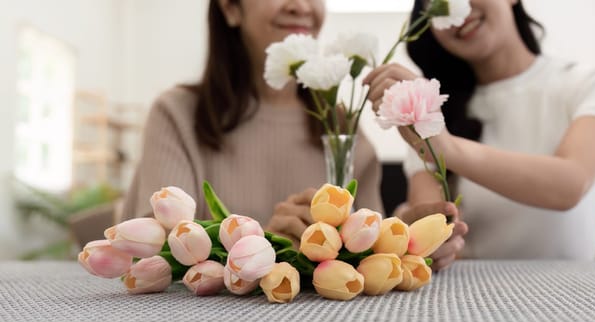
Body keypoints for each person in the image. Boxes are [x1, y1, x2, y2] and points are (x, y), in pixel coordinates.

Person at [121, 0, 466, 270]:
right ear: (229, 7)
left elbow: (365, 257)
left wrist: (405, 235)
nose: (301, 5)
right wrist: (266, 247)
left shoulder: (342, 123)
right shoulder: (177, 115)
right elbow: (157, 254)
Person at [364, 0, 595, 260]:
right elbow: (428, 218)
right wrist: (419, 232)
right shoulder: (434, 109)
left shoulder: (592, 83)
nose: (458, 9)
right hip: (471, 297)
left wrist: (446, 148)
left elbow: (571, 184)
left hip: (572, 293)